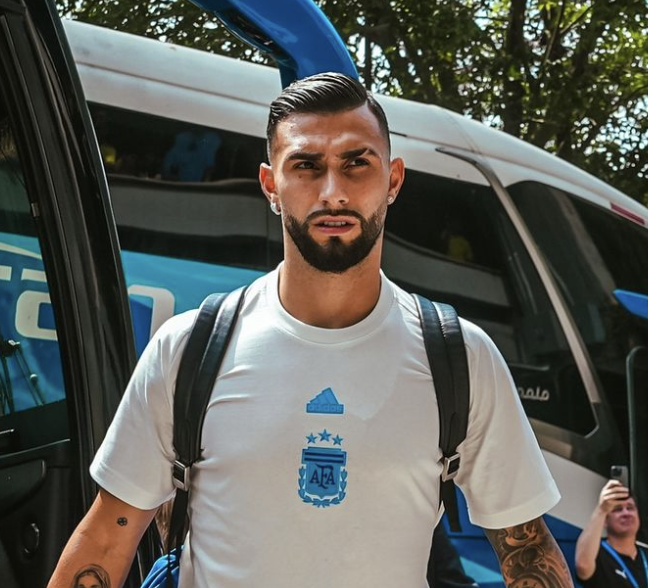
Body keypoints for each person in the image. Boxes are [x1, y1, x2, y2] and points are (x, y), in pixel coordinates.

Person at [47, 73, 574, 588]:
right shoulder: (188, 349)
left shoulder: (460, 357)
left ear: (393, 180)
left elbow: (527, 553)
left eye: (356, 164)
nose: (332, 192)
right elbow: (106, 542)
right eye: (306, 165)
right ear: (271, 185)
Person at [575, 479, 647, 587]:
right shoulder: (596, 554)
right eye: (618, 509)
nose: (626, 513)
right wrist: (602, 509)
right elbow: (583, 566)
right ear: (605, 520)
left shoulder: (644, 552)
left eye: (630, 508)